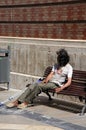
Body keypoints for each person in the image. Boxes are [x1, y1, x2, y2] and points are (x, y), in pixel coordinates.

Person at [6, 49, 73, 109]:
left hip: (56, 84)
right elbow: (51, 74)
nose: (57, 58)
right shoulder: (56, 65)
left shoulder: (69, 68)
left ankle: (26, 102)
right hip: (50, 82)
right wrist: (46, 80)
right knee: (32, 86)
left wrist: (61, 88)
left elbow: (69, 81)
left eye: (59, 57)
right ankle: (17, 101)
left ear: (63, 58)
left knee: (39, 86)